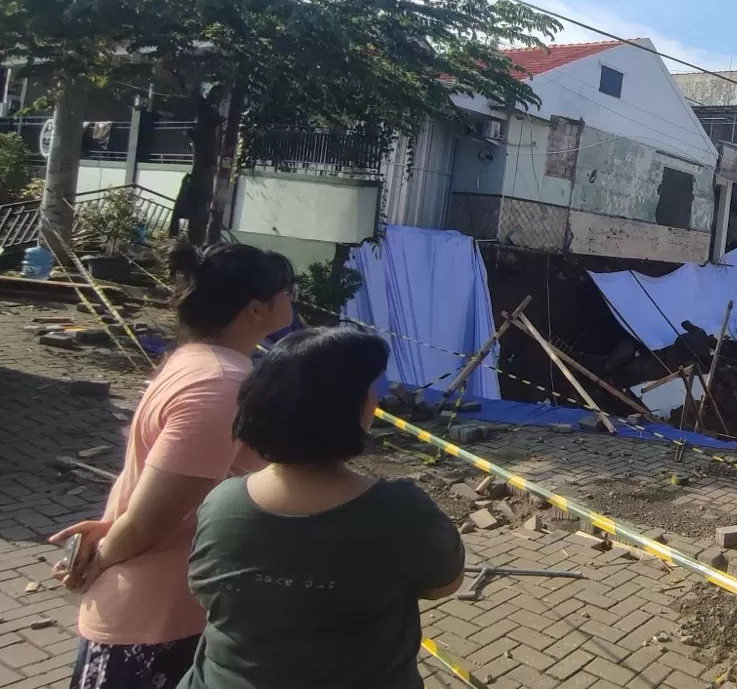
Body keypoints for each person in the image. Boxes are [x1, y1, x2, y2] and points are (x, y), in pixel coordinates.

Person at [52, 241, 296, 689]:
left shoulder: (200, 361)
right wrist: (97, 562)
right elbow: (156, 518)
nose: (292, 301)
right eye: (287, 292)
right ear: (257, 310)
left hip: (162, 606)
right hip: (157, 621)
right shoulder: (221, 385)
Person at [181, 327, 465, 689]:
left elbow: (207, 591)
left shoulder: (221, 503)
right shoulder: (400, 511)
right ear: (359, 410)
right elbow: (444, 584)